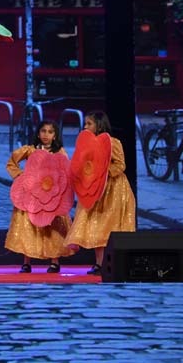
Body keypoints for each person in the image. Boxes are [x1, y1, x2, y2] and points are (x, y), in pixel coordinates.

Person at [65, 110, 136, 274]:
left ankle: (114, 263)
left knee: (109, 227)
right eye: (85, 123)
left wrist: (104, 172)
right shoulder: (86, 145)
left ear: (99, 125)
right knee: (96, 226)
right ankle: (99, 263)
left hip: (113, 191)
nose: (85, 126)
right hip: (94, 190)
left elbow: (120, 165)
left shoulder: (113, 143)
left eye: (89, 123)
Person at [4, 120, 74, 273]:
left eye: (50, 132)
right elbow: (12, 162)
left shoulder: (60, 153)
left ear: (55, 135)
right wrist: (20, 177)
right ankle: (26, 262)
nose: (46, 135)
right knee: (27, 227)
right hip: (32, 195)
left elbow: (66, 172)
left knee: (53, 227)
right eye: (43, 131)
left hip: (52, 196)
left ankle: (54, 261)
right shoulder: (30, 150)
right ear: (38, 133)